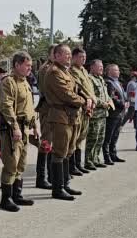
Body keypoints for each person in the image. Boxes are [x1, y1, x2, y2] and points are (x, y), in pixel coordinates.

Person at [42, 44, 86, 200]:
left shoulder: (65, 71)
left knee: (68, 150)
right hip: (60, 116)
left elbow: (76, 88)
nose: (69, 57)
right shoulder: (54, 72)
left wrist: (85, 97)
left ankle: (65, 184)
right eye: (65, 54)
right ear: (57, 55)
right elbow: (66, 94)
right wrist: (83, 101)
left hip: (70, 115)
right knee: (60, 152)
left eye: (69, 54)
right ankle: (58, 188)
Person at [0, 51, 37, 212]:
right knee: (11, 164)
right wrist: (14, 127)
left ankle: (17, 195)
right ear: (17, 65)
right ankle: (6, 199)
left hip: (25, 128)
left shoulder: (25, 82)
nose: (30, 68)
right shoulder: (9, 82)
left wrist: (35, 126)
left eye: (30, 65)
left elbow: (29, 106)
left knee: (21, 163)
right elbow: (6, 106)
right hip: (13, 129)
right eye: (27, 65)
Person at [68, 48, 94, 174]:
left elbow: (89, 88)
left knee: (81, 136)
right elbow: (79, 88)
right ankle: (72, 166)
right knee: (75, 138)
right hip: (81, 107)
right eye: (80, 57)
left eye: (84, 57)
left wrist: (92, 99)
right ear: (74, 57)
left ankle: (77, 164)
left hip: (88, 107)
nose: (83, 59)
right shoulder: (72, 71)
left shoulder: (84, 70)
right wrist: (87, 99)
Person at [84, 59, 111, 169]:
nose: (102, 68)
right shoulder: (89, 79)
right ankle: (88, 161)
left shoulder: (100, 78)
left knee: (100, 138)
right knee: (92, 138)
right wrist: (102, 103)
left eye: (102, 66)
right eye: (99, 66)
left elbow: (105, 94)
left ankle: (96, 159)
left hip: (103, 114)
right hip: (95, 114)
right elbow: (91, 95)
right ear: (92, 67)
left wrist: (109, 101)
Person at [35, 50, 55, 189]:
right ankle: (41, 177)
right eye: (56, 54)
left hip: (53, 110)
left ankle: (51, 175)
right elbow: (49, 90)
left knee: (51, 143)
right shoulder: (46, 69)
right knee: (46, 143)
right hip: (47, 109)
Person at [103, 63, 128, 164]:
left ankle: (114, 155)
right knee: (108, 136)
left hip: (120, 114)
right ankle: (107, 157)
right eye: (116, 70)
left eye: (118, 70)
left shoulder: (118, 82)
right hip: (113, 114)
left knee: (115, 136)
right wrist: (123, 104)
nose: (118, 72)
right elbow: (112, 97)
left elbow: (122, 95)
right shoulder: (109, 82)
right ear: (110, 71)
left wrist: (126, 101)